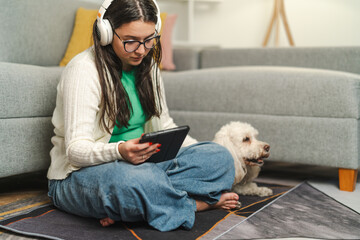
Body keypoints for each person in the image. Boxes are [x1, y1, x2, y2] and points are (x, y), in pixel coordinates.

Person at [47, 0, 238, 232]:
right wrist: (120, 150)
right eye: (130, 41)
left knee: (220, 158)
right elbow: (75, 152)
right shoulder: (83, 71)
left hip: (143, 167)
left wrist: (197, 154)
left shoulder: (148, 67)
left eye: (149, 40)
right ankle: (194, 204)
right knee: (132, 182)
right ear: (106, 33)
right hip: (83, 175)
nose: (141, 50)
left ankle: (136, 205)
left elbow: (164, 124)